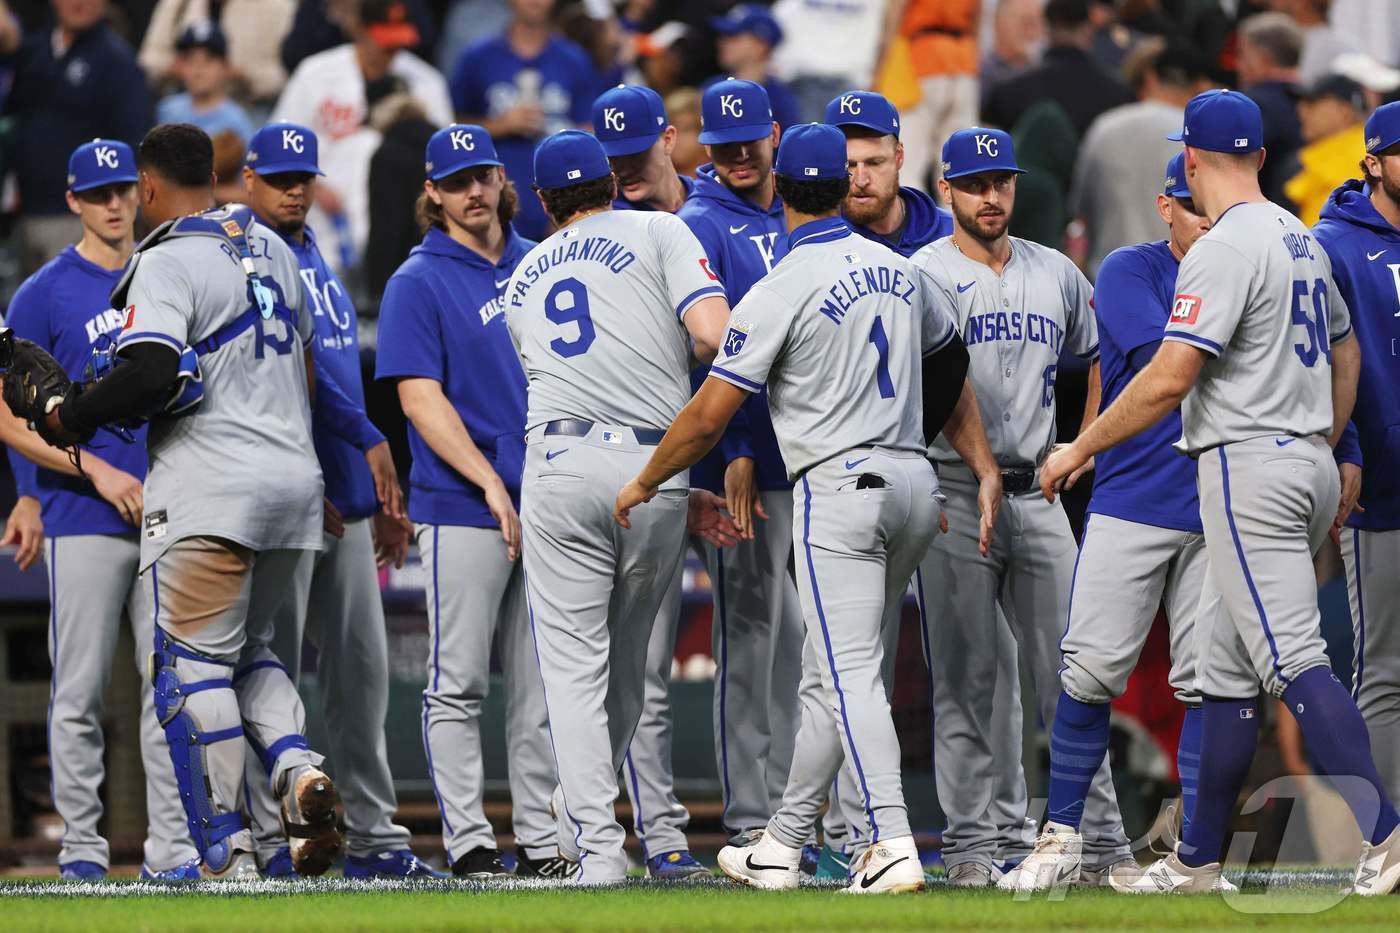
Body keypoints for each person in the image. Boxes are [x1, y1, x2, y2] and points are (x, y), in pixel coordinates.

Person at [1040, 88, 1400, 896]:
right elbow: (1345, 352)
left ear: (1191, 159)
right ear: (1261, 157)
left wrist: (1080, 446)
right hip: (1302, 457)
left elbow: (1170, 377)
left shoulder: (1224, 246)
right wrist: (1324, 442)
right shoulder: (1301, 237)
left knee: (1294, 659)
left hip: (1250, 464)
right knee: (1226, 673)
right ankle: (1197, 860)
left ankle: (1387, 832)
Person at [615, 122, 989, 895]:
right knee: (829, 671)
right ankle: (781, 843)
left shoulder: (780, 285)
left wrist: (647, 478)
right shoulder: (902, 269)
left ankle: (890, 837)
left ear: (782, 189)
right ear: (841, 187)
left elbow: (709, 415)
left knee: (847, 672)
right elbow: (951, 359)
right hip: (913, 479)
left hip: (841, 486)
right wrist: (913, 447)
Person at [31, 123, 340, 879]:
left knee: (190, 670)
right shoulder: (273, 247)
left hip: (213, 490)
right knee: (253, 653)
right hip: (294, 486)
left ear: (148, 186)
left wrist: (72, 417)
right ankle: (297, 765)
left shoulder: (165, 258)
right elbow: (306, 370)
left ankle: (227, 852)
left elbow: (148, 370)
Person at [504, 129, 734, 884]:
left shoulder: (522, 274)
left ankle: (593, 846)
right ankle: (585, 827)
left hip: (561, 462)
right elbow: (713, 335)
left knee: (573, 668)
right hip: (655, 468)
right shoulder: (661, 229)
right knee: (628, 669)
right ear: (608, 183)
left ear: (543, 201)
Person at [910, 125, 1135, 888]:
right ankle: (973, 846)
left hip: (1037, 491)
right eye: (975, 184)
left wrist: (1086, 440)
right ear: (946, 189)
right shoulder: (923, 273)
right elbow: (934, 386)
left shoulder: (1056, 270)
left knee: (1076, 675)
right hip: (951, 492)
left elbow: (1101, 354)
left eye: (1001, 182)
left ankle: (1101, 845)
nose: (991, 196)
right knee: (967, 681)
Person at [1000, 153, 1218, 892]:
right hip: (1132, 498)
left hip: (1217, 501)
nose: (1205, 218)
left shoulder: (1243, 269)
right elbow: (1172, 365)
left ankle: (1198, 853)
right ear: (1165, 205)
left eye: (1212, 205)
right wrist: (1085, 446)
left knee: (1209, 683)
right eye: (1191, 205)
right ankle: (1063, 836)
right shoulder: (1131, 269)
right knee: (1089, 672)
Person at [235, 122, 442, 880]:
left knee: (361, 679)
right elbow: (275, 385)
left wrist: (371, 487)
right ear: (249, 179)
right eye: (279, 178)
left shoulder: (315, 253)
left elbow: (337, 373)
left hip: (346, 497)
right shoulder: (242, 256)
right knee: (272, 674)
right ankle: (272, 840)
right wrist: (322, 472)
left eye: (304, 177)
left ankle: (375, 839)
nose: (294, 189)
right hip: (288, 499)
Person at [0, 139, 198, 883]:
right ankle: (82, 849)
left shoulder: (166, 272)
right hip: (83, 513)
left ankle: (171, 851)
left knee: (166, 689)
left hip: (168, 509)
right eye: (97, 194)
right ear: (74, 202)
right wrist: (88, 471)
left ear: (139, 194)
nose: (113, 204)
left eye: (121, 190)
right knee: (79, 690)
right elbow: (9, 414)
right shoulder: (44, 292)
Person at [375, 124, 566, 879]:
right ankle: (470, 843)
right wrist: (488, 481)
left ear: (501, 178)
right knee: (458, 680)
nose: (474, 192)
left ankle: (543, 842)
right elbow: (418, 398)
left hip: (546, 500)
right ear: (434, 192)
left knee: (540, 684)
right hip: (461, 503)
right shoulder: (417, 279)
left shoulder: (540, 260)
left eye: (482, 175)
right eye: (457, 182)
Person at [676, 79, 805, 851]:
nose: (739, 157)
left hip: (800, 455)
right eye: (724, 147)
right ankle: (753, 816)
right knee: (751, 637)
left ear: (774, 134)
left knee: (794, 642)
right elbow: (705, 355)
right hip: (741, 465)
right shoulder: (700, 222)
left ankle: (794, 812)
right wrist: (734, 450)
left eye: (750, 142)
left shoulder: (794, 209)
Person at [593, 82, 709, 879]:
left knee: (776, 658)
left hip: (727, 460)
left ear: (668, 139)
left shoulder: (711, 216)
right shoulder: (598, 235)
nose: (626, 171)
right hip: (644, 467)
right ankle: (650, 831)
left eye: (636, 154)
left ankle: (777, 826)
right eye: (613, 161)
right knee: (637, 666)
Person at [1312, 100, 1400, 810]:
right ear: (1372, 162)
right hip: (1386, 486)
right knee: (1385, 670)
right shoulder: (1333, 245)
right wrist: (1346, 448)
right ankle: (1392, 840)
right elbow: (1321, 364)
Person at [272, 0, 453, 271]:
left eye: (398, 41)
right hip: (322, 220)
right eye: (383, 41)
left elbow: (446, 160)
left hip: (398, 227)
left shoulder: (426, 81)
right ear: (358, 29)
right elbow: (278, 143)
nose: (391, 50)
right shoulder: (315, 74)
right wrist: (310, 185)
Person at [4, 0, 152, 273]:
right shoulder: (33, 52)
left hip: (83, 218)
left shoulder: (118, 61)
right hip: (27, 213)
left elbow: (136, 144)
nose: (78, 2)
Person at [449, 0, 603, 241]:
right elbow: (453, 128)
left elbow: (590, 131)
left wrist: (573, 208)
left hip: (561, 209)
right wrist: (501, 125)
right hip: (494, 210)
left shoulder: (574, 60)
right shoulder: (477, 58)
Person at [1069, 39, 1212, 277]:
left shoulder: (1104, 127)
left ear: (1151, 78)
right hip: (1184, 280)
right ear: (1200, 86)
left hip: (1110, 278)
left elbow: (1080, 214)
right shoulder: (1202, 137)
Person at [982, 0, 1133, 140]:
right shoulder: (1119, 93)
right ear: (1089, 29)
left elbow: (987, 150)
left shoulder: (1009, 91)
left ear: (1046, 28)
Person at [893, 0, 982, 192]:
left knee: (908, 165)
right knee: (960, 166)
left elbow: (895, 12)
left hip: (920, 61)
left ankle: (912, 212)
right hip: (964, 62)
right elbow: (978, 18)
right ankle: (960, 212)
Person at [138, 0, 297, 104]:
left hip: (249, 105)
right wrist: (176, 67)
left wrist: (244, 75)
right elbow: (148, 59)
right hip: (183, 99)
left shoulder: (276, 7)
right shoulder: (177, 4)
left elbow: (285, 74)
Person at [769, 0, 891, 123]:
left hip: (852, 80)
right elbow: (778, 19)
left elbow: (887, 29)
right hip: (800, 78)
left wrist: (876, 74)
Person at [1236, 11, 1306, 207]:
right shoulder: (1320, 102)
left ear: (1262, 59)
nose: (1238, 65)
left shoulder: (1247, 106)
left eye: (1242, 54)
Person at [1285, 73, 1368, 224]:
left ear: (1343, 111)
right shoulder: (1321, 156)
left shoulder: (1362, 158)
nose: (1301, 110)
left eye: (1312, 103)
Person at [155, 22, 255, 145]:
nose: (198, 70)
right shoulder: (167, 110)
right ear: (179, 66)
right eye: (190, 60)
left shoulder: (236, 120)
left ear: (225, 66)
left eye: (208, 60)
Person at [708, 5, 799, 131]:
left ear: (761, 45)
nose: (722, 42)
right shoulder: (711, 88)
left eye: (733, 37)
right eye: (724, 36)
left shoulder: (781, 99)